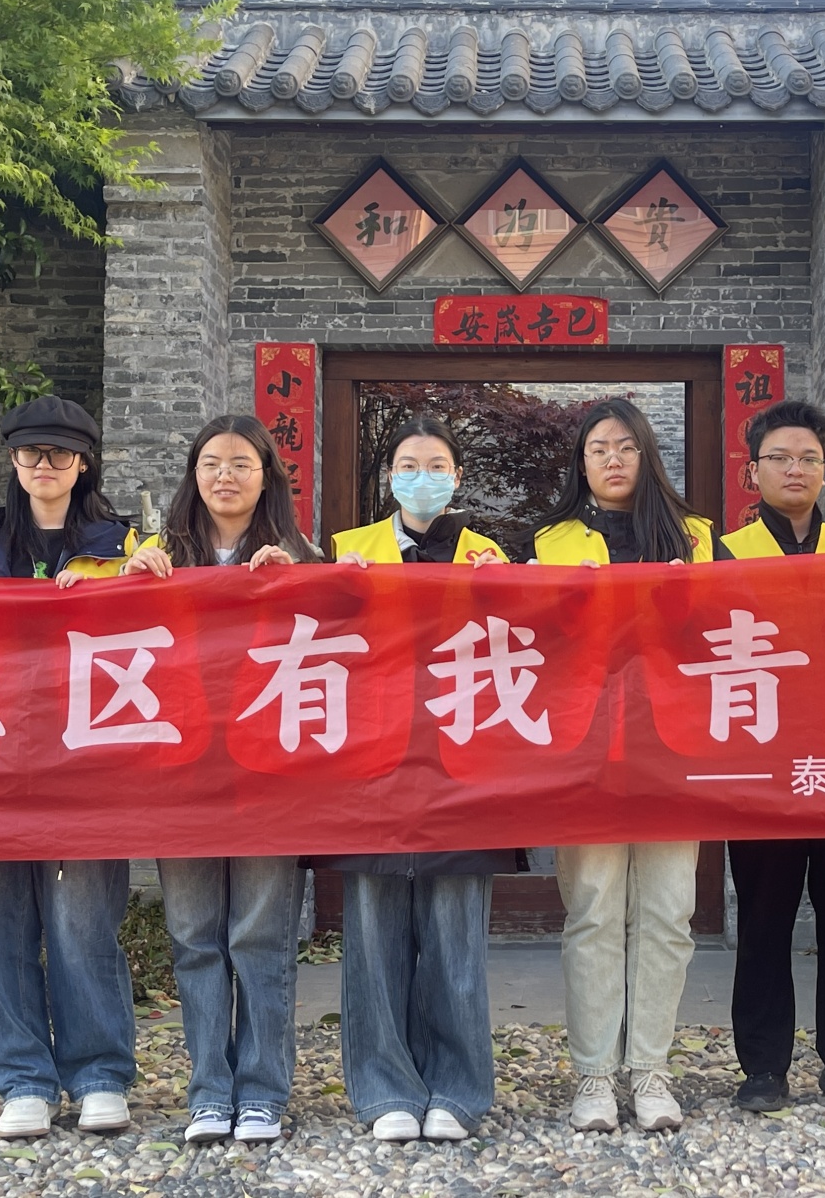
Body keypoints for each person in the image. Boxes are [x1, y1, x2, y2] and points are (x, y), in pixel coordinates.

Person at [532, 397, 728, 1133]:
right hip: (586, 747)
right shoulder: (549, 541)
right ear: (581, 464)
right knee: (593, 910)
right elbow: (530, 644)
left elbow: (735, 633)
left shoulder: (698, 538)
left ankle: (650, 1069)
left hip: (674, 745)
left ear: (648, 455)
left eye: (625, 447)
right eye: (597, 449)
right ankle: (593, 1075)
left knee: (669, 912)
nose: (612, 460)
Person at [319, 414, 516, 1143]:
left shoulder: (489, 556)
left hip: (463, 765)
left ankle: (458, 1090)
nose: (421, 477)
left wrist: (505, 591)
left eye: (436, 466)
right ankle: (384, 1089)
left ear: (457, 477)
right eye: (408, 465)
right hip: (371, 764)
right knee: (373, 935)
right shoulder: (347, 550)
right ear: (390, 476)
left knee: (455, 934)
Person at [120, 415, 315, 1145]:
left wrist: (299, 583)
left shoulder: (300, 554)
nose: (224, 476)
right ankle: (209, 1090)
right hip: (182, 778)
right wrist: (126, 585)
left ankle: (262, 1091)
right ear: (192, 475)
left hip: (269, 780)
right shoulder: (157, 556)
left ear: (268, 477)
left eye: (241, 464)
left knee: (260, 937)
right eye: (210, 463)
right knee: (195, 936)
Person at [0, 396, 140, 1139]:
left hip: (87, 762)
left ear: (84, 463)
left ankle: (99, 1073)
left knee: (82, 923)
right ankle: (22, 1078)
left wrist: (135, 582)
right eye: (31, 453)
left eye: (60, 454)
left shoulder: (122, 543)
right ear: (12, 459)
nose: (44, 466)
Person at [716, 400, 825, 1117]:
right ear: (752, 471)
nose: (795, 469)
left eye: (809, 458)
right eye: (780, 458)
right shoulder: (720, 554)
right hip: (761, 767)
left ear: (824, 470)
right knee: (764, 919)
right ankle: (763, 1068)